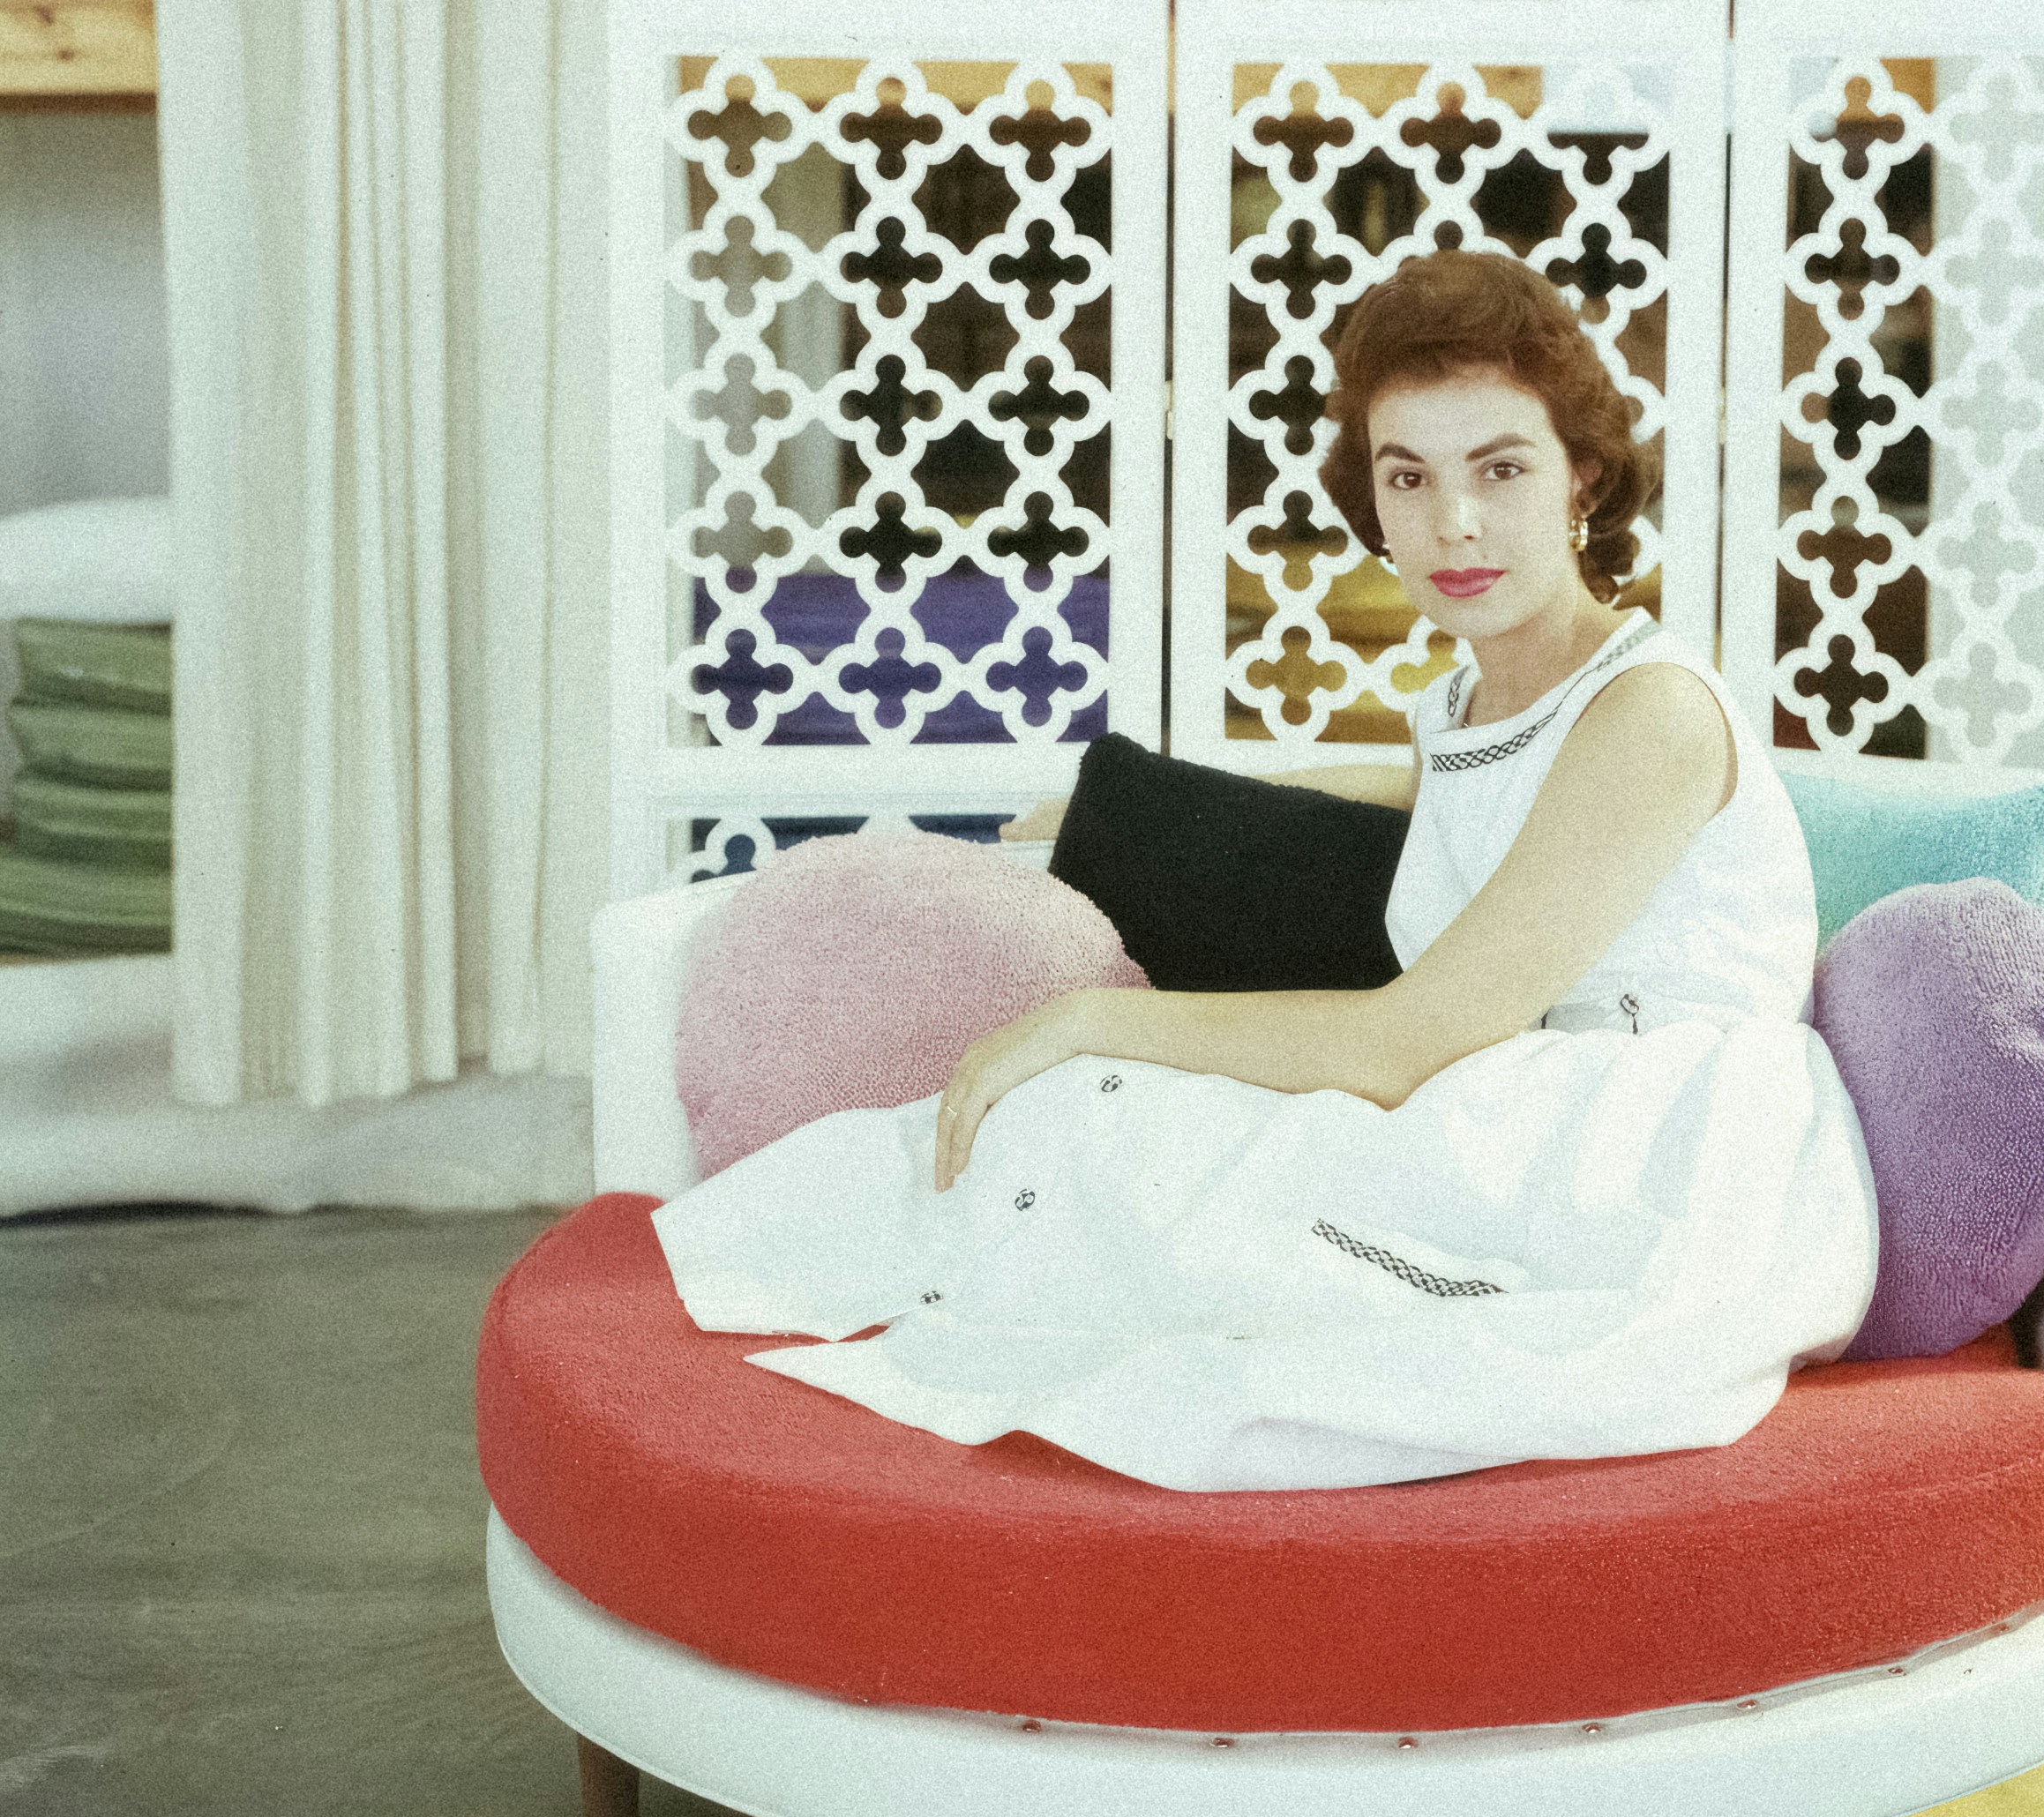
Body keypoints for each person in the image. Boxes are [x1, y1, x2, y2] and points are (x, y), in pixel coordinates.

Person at [653, 250, 1876, 1489]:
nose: (1453, 521)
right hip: (1518, 1103)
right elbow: (1434, 790)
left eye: (1499, 468)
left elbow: (1416, 1036)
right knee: (1084, 1142)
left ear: (1584, 477)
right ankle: (718, 1366)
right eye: (1409, 477)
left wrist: (1090, 1020)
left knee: (1122, 1135)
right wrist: (1117, 803)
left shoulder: (1649, 710)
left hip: (1652, 1160)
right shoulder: (1479, 694)